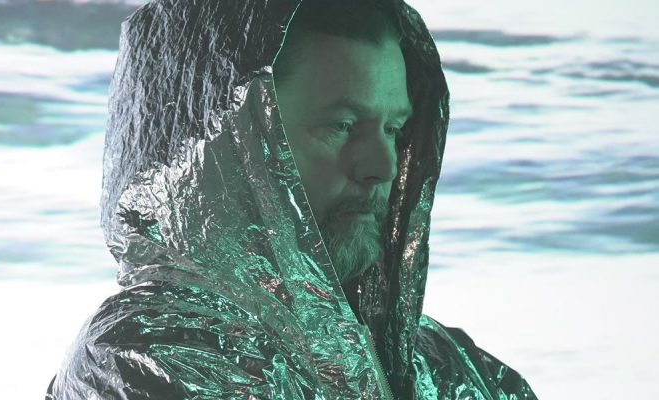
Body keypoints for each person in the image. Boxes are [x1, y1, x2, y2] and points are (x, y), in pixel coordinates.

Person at [46, 0, 538, 398]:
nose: (384, 167)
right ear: (229, 142)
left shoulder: (448, 367)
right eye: (342, 126)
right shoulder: (138, 361)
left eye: (394, 129)